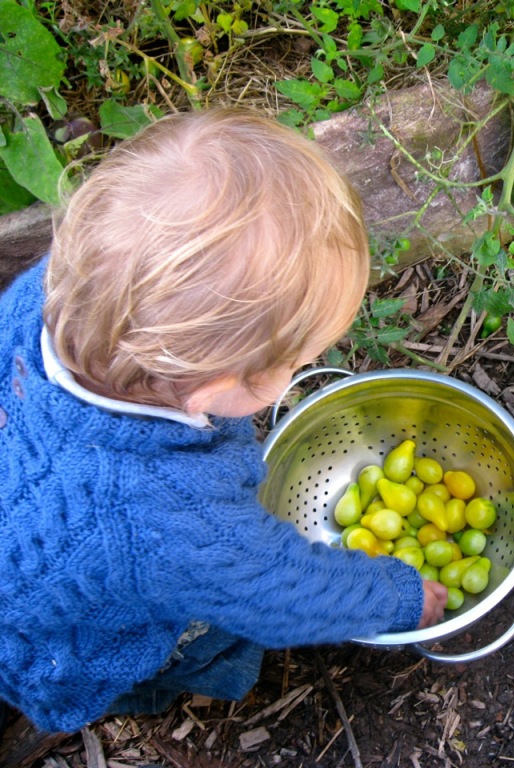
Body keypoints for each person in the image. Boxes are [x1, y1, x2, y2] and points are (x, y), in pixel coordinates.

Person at [0, 108, 448, 735]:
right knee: (203, 635)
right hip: (62, 644)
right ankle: (168, 686)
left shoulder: (38, 299)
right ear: (211, 392)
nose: (301, 370)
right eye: (298, 362)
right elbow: (279, 593)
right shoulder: (168, 518)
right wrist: (398, 596)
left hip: (27, 557)